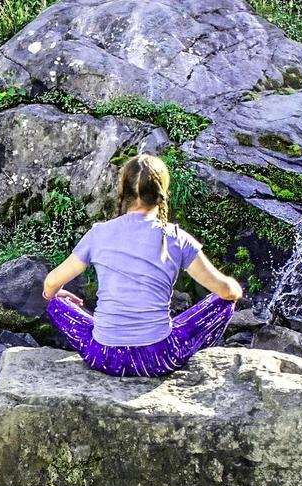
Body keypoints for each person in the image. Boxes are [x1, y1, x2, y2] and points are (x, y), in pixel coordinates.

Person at [40, 153, 244, 378]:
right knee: (223, 303)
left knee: (56, 305)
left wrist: (57, 295)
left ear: (123, 193)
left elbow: (50, 284)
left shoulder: (98, 234)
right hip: (158, 358)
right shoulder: (176, 237)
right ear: (161, 195)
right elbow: (226, 291)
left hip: (104, 357)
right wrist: (235, 288)